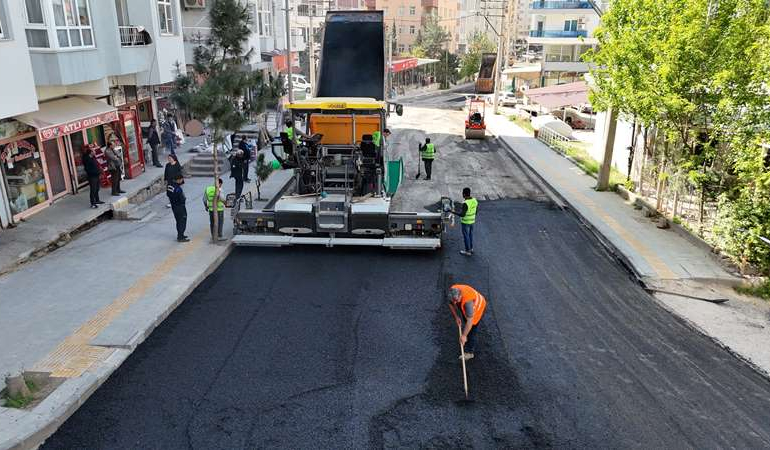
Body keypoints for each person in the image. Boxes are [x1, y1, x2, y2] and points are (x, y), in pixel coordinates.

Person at [448, 284, 487, 361]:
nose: (455, 303)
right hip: (466, 302)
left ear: (460, 296)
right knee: (466, 319)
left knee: (472, 330)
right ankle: (466, 333)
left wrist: (464, 336)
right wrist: (456, 317)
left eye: (456, 301)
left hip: (478, 305)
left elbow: (470, 321)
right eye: (454, 301)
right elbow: (450, 304)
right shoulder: (452, 291)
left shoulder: (468, 303)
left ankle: (470, 352)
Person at [451, 187, 478, 256]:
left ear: (464, 194)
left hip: (466, 222)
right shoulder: (474, 200)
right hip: (472, 221)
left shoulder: (465, 203)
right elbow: (476, 211)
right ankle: (471, 248)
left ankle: (467, 251)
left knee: (466, 236)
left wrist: (452, 212)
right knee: (470, 235)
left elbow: (462, 214)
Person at [166, 175, 189, 242]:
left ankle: (180, 234)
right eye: (181, 179)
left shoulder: (170, 185)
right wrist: (183, 200)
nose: (182, 181)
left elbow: (168, 194)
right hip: (180, 206)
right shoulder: (178, 188)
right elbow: (182, 198)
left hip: (174, 206)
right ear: (178, 180)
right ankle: (180, 237)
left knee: (178, 221)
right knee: (182, 220)